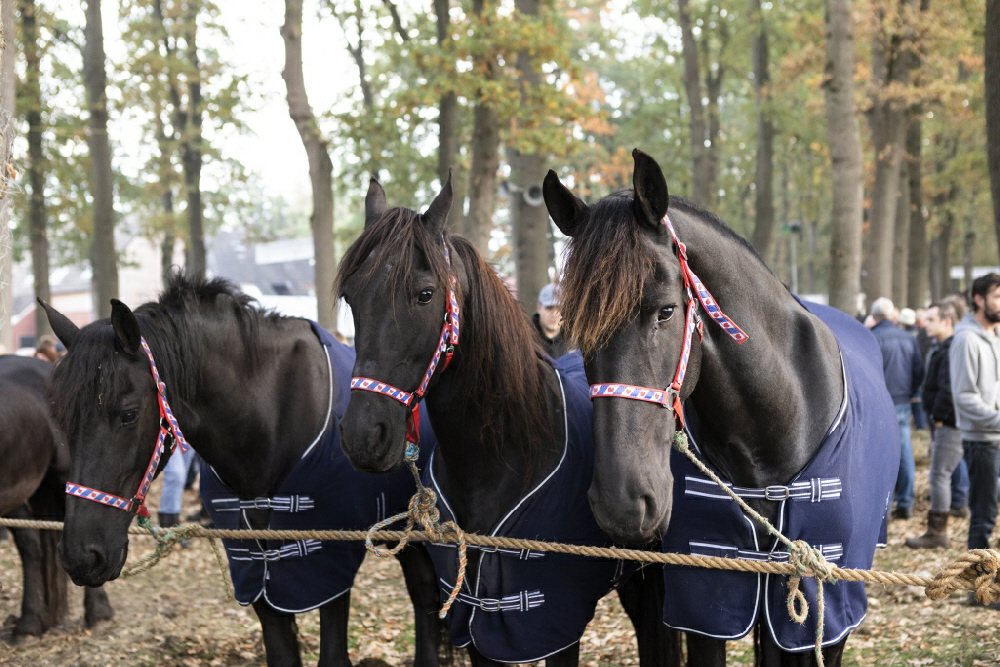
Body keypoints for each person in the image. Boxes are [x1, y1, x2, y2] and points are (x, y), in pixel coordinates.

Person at [905, 299, 966, 548]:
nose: (925, 324)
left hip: (949, 423)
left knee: (939, 474)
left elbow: (949, 388)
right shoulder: (943, 347)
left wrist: (940, 417)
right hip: (945, 421)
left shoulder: (952, 349)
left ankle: (937, 532)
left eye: (931, 319)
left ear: (947, 321)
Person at [950, 274, 1000, 551]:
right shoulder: (966, 340)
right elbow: (965, 397)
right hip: (981, 441)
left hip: (996, 435)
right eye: (997, 297)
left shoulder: (995, 337)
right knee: (983, 516)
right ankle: (979, 587)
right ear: (979, 300)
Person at [869, 296, 924, 519]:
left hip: (881, 402)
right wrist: (912, 393)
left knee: (882, 454)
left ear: (873, 317)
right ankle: (906, 502)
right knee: (905, 451)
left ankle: (885, 506)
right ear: (893, 316)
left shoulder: (872, 338)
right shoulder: (909, 338)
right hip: (902, 401)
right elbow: (919, 370)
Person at [533, 283, 569, 358]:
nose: (555, 314)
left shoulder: (574, 342)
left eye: (560, 309)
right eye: (549, 308)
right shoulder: (526, 338)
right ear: (539, 308)